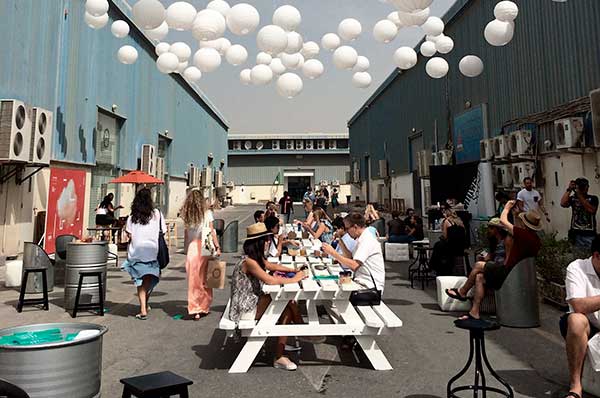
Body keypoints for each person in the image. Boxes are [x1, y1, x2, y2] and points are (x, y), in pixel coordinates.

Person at [229, 223, 308, 371]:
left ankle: (281, 353)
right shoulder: (249, 262)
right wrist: (295, 278)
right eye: (265, 240)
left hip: (249, 302)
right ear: (258, 243)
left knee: (286, 307)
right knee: (285, 301)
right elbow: (269, 280)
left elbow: (272, 266)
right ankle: (300, 330)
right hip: (244, 308)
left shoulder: (255, 258)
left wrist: (293, 269)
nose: (267, 243)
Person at [445, 200, 542, 321]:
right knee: (479, 277)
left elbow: (503, 221)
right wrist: (517, 215)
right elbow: (517, 228)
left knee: (479, 265)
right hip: (518, 274)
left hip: (507, 271)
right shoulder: (534, 240)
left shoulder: (523, 235)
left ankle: (463, 291)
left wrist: (506, 208)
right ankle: (474, 311)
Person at [561, 235, 600, 398]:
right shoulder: (577, 268)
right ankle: (575, 385)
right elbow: (578, 305)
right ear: (597, 255)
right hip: (586, 325)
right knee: (576, 320)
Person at [122, 189, 166, 320]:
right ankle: (144, 306)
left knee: (140, 283)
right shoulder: (157, 214)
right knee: (149, 280)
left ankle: (143, 308)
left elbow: (128, 235)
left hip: (136, 254)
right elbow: (163, 231)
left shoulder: (131, 218)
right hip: (152, 253)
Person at [180, 189, 221, 320]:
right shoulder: (207, 213)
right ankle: (204, 306)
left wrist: (186, 248)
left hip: (192, 248)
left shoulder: (187, 214)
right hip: (205, 246)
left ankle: (195, 308)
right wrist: (217, 246)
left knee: (194, 280)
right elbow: (211, 231)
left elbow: (186, 235)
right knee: (206, 279)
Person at [322, 213, 385, 293]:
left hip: (369, 287)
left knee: (333, 292)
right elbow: (350, 257)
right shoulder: (362, 238)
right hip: (363, 283)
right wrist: (340, 241)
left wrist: (333, 253)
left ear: (355, 227)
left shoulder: (367, 240)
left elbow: (354, 265)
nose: (346, 231)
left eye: (347, 228)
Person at [561, 178, 599, 248]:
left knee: (591, 256)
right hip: (576, 234)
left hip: (589, 234)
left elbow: (591, 210)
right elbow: (563, 203)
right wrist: (569, 189)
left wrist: (578, 194)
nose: (584, 188)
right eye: (581, 186)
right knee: (578, 257)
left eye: (584, 186)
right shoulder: (573, 198)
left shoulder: (593, 198)